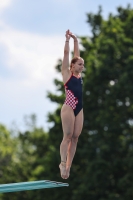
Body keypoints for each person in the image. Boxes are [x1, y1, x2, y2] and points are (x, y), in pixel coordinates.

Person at [59, 30, 84, 179]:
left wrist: (76, 39)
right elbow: (68, 54)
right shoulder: (67, 74)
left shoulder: (79, 75)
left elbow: (77, 54)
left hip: (79, 108)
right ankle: (62, 163)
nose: (82, 66)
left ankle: (68, 167)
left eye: (83, 64)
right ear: (73, 65)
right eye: (80, 64)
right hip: (68, 106)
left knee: (75, 138)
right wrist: (68, 40)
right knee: (67, 136)